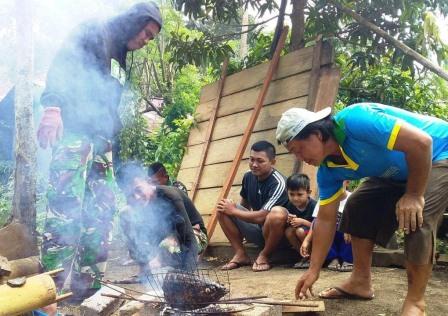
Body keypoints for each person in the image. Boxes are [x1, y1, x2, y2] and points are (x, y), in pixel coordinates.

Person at [37, 2, 163, 298]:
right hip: (75, 133)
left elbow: (110, 115)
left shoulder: (119, 57)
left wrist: (128, 175)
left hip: (101, 143)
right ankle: (47, 294)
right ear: (135, 20)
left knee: (102, 213)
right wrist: (52, 105)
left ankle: (87, 289)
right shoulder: (95, 29)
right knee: (65, 211)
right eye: (146, 32)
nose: (146, 41)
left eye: (151, 38)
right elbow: (63, 63)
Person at [276, 103, 448, 316]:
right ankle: (360, 282)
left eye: (298, 149)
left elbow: (422, 143)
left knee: (415, 217)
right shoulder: (328, 171)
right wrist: (313, 270)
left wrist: (413, 195)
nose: (300, 158)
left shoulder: (356, 121)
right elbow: (326, 220)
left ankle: (416, 302)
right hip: (397, 173)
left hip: (438, 153)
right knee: (357, 206)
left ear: (317, 134)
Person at [217, 140, 289, 272]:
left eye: (260, 161)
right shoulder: (248, 177)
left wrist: (234, 211)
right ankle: (240, 254)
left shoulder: (279, 183)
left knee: (276, 214)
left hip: (278, 235)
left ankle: (264, 255)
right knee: (223, 207)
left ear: (273, 162)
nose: (254, 165)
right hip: (258, 230)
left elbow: (262, 217)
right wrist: (233, 214)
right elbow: (244, 204)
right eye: (251, 160)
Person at [116, 162, 199, 277]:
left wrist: (188, 275)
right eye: (130, 194)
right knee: (125, 214)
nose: (137, 197)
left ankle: (178, 268)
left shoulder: (170, 195)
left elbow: (189, 239)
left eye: (138, 190)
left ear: (147, 181)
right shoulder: (136, 203)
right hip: (163, 237)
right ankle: (145, 271)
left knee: (167, 243)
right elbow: (142, 237)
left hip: (194, 233)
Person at [300, 180, 353, 272]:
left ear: (347, 182)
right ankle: (333, 258)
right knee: (320, 226)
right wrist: (307, 240)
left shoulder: (352, 198)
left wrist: (349, 228)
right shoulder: (324, 199)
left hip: (346, 233)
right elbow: (316, 221)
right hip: (331, 233)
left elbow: (358, 219)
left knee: (352, 233)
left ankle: (348, 260)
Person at [283, 173, 316, 269]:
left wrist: (302, 221)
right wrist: (289, 220)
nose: (295, 198)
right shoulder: (289, 205)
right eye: (291, 194)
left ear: (308, 192)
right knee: (288, 231)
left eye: (300, 194)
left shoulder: (313, 205)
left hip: (313, 234)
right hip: (300, 233)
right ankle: (304, 256)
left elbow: (318, 225)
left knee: (300, 231)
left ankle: (313, 257)